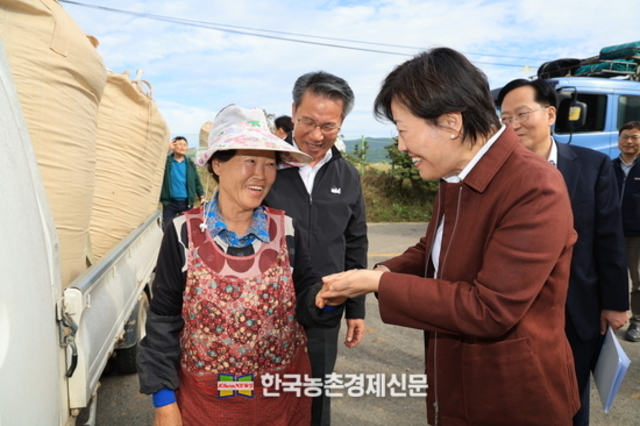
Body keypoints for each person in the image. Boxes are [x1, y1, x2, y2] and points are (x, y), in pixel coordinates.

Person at [317, 48, 580, 426]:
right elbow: (433, 250)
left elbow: (489, 309)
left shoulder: (534, 186)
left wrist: (378, 283)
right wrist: (378, 272)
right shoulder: (454, 175)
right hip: (455, 378)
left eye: (404, 130)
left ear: (450, 123)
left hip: (512, 396)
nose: (402, 146)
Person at [137, 105, 345, 426]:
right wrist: (164, 401)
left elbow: (306, 307)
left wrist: (327, 300)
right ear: (218, 163)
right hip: (205, 406)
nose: (260, 175)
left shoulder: (287, 230)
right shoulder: (183, 233)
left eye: (269, 163)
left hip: (280, 405)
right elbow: (163, 320)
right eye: (249, 160)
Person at [498, 79, 629, 426]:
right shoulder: (497, 172)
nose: (513, 125)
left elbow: (608, 238)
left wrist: (615, 303)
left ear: (551, 114)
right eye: (505, 118)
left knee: (571, 400)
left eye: (522, 114)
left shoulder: (593, 166)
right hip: (514, 311)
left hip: (577, 308)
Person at [263, 71, 367, 426]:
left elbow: (355, 242)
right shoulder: (265, 165)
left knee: (316, 395)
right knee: (262, 393)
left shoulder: (347, 176)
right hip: (263, 308)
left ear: (341, 124)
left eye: (329, 126)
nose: (316, 135)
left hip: (326, 304)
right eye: (308, 121)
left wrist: (356, 307)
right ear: (293, 111)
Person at [612, 121, 640, 342]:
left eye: (634, 137)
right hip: (610, 232)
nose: (629, 141)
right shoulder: (608, 166)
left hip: (635, 234)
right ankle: (610, 317)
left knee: (637, 280)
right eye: (625, 137)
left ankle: (636, 322)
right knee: (610, 275)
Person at [160, 136, 206, 228]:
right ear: (173, 145)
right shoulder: (166, 162)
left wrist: (202, 196)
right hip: (169, 203)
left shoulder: (189, 164)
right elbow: (156, 162)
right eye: (180, 144)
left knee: (186, 229)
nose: (182, 147)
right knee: (167, 229)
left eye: (185, 145)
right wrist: (167, 149)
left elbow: (196, 181)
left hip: (186, 203)